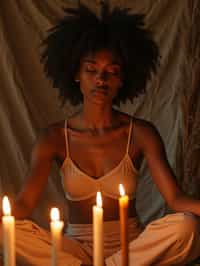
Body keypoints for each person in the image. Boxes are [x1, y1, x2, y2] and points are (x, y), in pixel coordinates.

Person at [1, 2, 200, 266]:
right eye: (91, 70)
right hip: (74, 249)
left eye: (112, 72)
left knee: (188, 227)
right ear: (75, 74)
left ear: (123, 79)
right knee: (7, 230)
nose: (101, 80)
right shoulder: (53, 137)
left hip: (131, 246)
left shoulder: (141, 133)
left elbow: (176, 199)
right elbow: (24, 205)